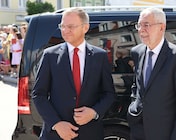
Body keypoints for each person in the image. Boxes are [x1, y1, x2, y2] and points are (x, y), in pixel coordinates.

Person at [32, 7, 115, 140]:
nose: (65, 30)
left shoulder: (100, 56)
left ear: (85, 27)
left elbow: (109, 93)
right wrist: (57, 124)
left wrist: (94, 112)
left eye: (70, 26)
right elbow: (38, 94)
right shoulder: (50, 55)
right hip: (56, 134)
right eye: (62, 26)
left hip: (90, 133)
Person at [127, 7, 176, 140]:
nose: (141, 29)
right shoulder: (137, 52)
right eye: (139, 25)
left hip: (164, 132)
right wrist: (133, 107)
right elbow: (137, 85)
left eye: (146, 25)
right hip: (138, 129)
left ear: (161, 27)